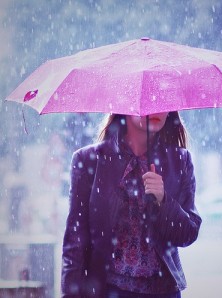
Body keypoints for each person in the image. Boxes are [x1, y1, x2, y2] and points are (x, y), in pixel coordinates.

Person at [61, 111, 201, 298]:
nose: (157, 111)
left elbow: (188, 233)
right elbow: (75, 240)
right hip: (107, 289)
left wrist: (163, 200)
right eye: (149, 103)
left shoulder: (180, 161)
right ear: (126, 107)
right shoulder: (89, 160)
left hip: (162, 291)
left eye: (162, 104)